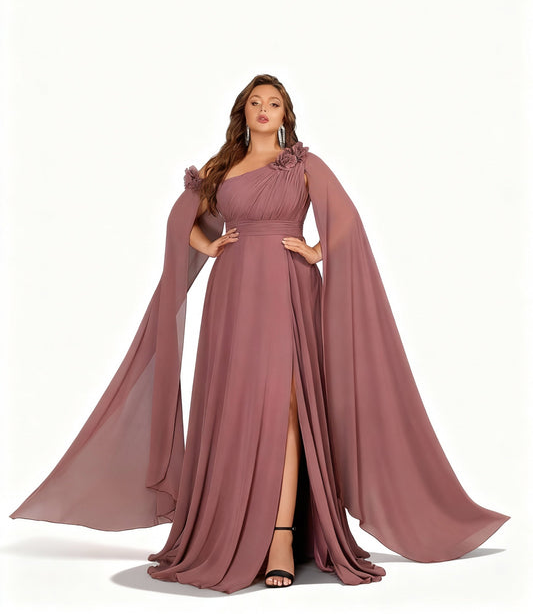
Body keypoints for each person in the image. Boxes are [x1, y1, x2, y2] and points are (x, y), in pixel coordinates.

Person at [9, 74, 510, 594]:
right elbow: (182, 220)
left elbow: (347, 222)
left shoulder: (305, 165)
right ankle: (230, 528)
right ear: (243, 113)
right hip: (234, 296)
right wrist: (208, 246)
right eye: (255, 102)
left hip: (290, 290)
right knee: (237, 405)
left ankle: (279, 538)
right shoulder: (221, 168)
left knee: (288, 407)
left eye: (274, 103)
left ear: (286, 115)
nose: (264, 109)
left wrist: (315, 252)